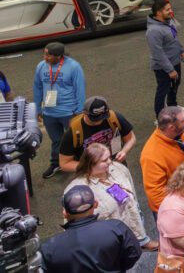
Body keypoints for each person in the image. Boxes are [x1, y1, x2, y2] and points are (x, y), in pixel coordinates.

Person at [66, 143, 157, 250]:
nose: (110, 162)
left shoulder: (119, 168)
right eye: (104, 160)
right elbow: (75, 227)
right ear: (90, 164)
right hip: (109, 241)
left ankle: (142, 240)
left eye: (109, 157)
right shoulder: (78, 191)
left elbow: (133, 197)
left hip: (130, 223)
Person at [40, 185, 142, 273]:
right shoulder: (116, 227)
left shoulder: (49, 247)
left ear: (65, 213)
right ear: (96, 204)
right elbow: (134, 254)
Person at [33, 41, 86, 180]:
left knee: (76, 140)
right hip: (49, 113)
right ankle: (56, 164)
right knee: (56, 141)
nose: (45, 57)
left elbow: (80, 89)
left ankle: (82, 165)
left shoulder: (73, 67)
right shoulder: (41, 66)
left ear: (58, 56)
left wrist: (79, 110)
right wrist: (38, 109)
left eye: (48, 55)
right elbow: (37, 87)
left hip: (69, 112)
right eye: (44, 54)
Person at [140, 106, 184, 215]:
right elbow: (156, 195)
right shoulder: (151, 155)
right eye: (183, 120)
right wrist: (180, 211)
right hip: (174, 209)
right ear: (171, 127)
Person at [58, 95, 136, 173]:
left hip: (117, 165)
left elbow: (131, 138)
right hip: (91, 174)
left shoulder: (114, 118)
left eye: (103, 116)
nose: (100, 121)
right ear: (85, 113)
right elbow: (64, 163)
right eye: (95, 118)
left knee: (121, 185)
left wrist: (124, 151)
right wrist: (90, 168)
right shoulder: (74, 131)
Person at [148, 0, 184, 117]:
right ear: (159, 13)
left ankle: (173, 107)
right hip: (163, 67)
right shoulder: (153, 31)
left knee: (174, 85)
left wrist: (181, 50)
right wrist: (170, 70)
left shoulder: (167, 22)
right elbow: (157, 53)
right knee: (162, 91)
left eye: (170, 8)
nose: (171, 11)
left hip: (175, 62)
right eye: (167, 9)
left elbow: (174, 39)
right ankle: (160, 118)